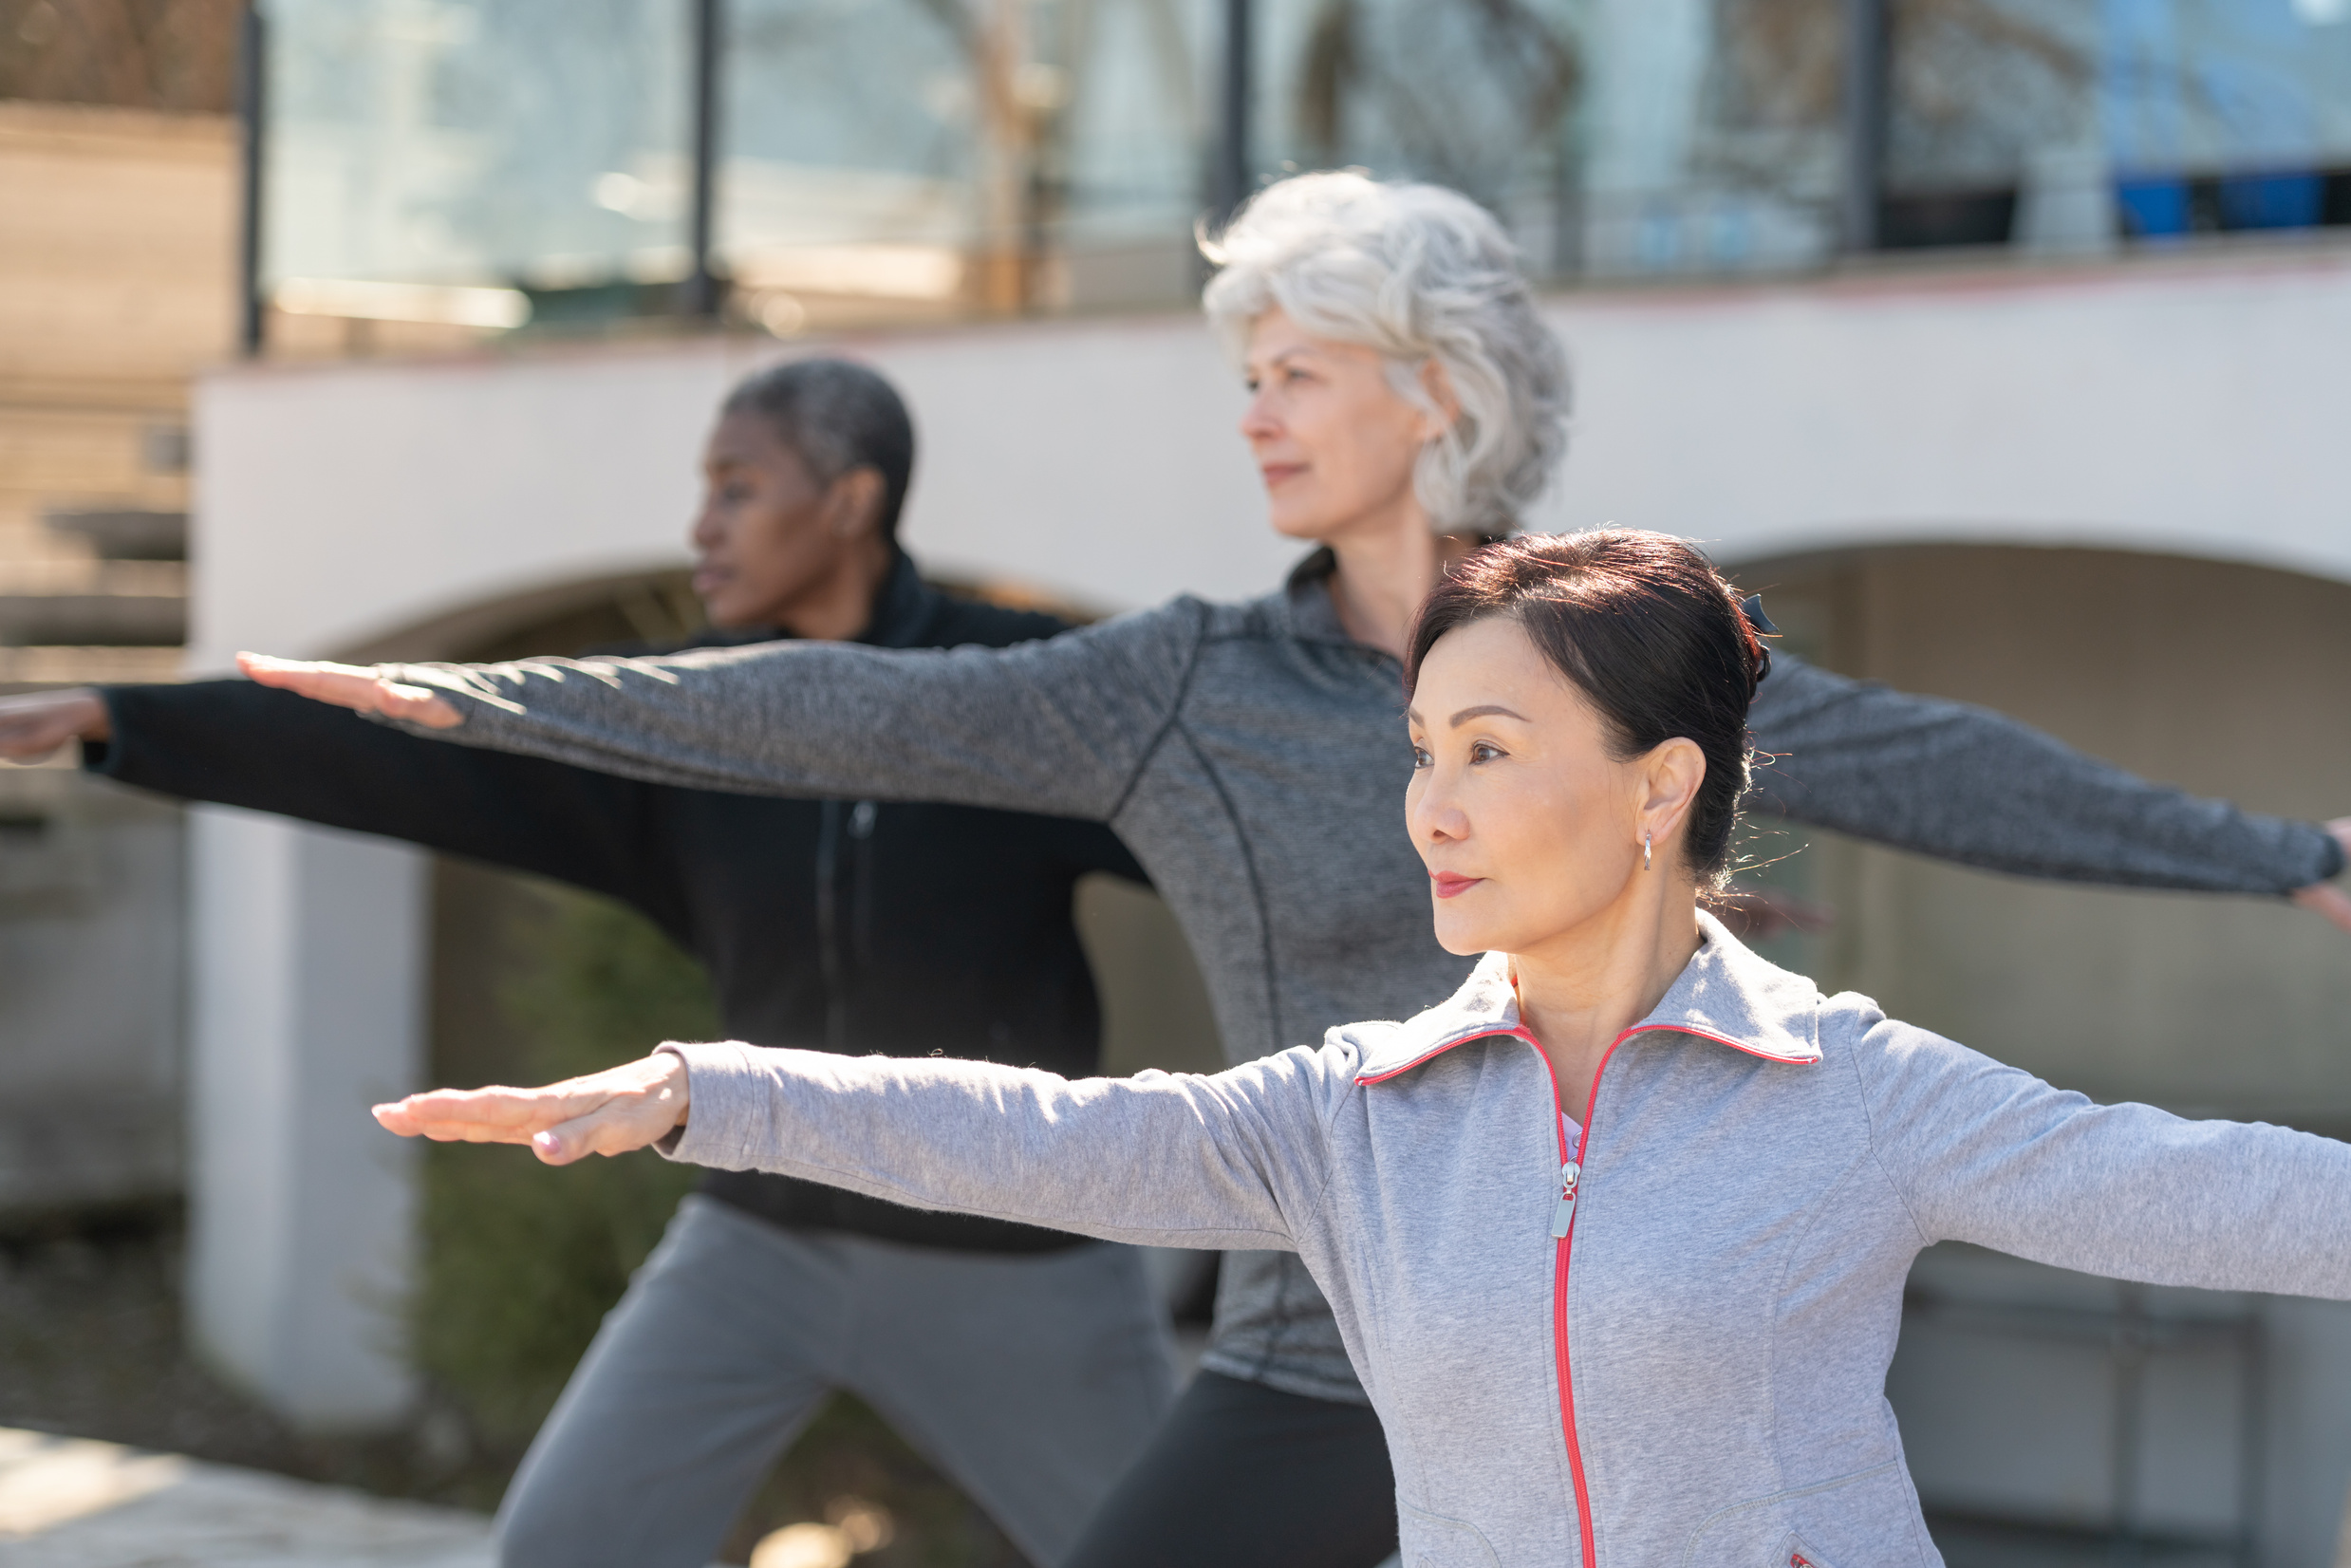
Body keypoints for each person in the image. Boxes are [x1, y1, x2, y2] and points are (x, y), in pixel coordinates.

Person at [228, 175, 2351, 1568]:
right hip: (1307, 1335)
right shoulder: (1173, 694)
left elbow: (1967, 798)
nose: (1250, 414)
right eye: (1237, 374)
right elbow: (852, 720)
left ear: (1430, 398)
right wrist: (506, 709)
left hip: (1645, 1362)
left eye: (1292, 372)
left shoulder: (1636, 678)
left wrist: (2277, 859)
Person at [365, 529, 2351, 1568]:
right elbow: (1050, 1134)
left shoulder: (1857, 1093)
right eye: (1419, 753)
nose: (1428, 808)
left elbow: (2203, 1189)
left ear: (1658, 790)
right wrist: (717, 1089)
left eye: (1487, 754)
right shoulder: (1356, 1114)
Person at [0, 360, 1175, 1568]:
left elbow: (1243, 826)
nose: (699, 527)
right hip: (761, 1239)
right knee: (562, 1546)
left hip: (1010, 1253)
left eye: (738, 487)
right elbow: (422, 755)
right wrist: (116, 718)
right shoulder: (692, 719)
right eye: (703, 489)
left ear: (848, 502)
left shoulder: (1014, 693)